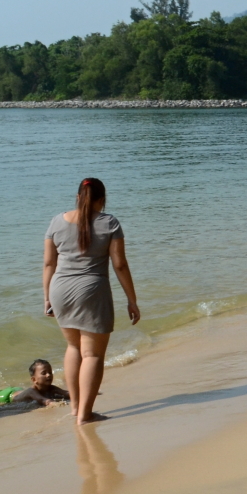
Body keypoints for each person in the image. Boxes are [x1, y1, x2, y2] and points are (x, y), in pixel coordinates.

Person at [44, 178, 140, 424]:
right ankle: (85, 415)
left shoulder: (56, 221)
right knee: (93, 354)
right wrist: (132, 300)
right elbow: (120, 264)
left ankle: (76, 408)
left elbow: (48, 264)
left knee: (73, 348)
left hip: (60, 289)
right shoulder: (109, 223)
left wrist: (47, 298)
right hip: (92, 290)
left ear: (77, 197)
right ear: (102, 200)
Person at [0, 359, 70, 406]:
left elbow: (66, 393)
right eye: (44, 373)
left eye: (50, 372)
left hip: (19, 390)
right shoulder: (31, 391)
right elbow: (44, 401)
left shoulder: (51, 388)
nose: (48, 375)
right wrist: (55, 404)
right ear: (34, 380)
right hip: (6, 396)